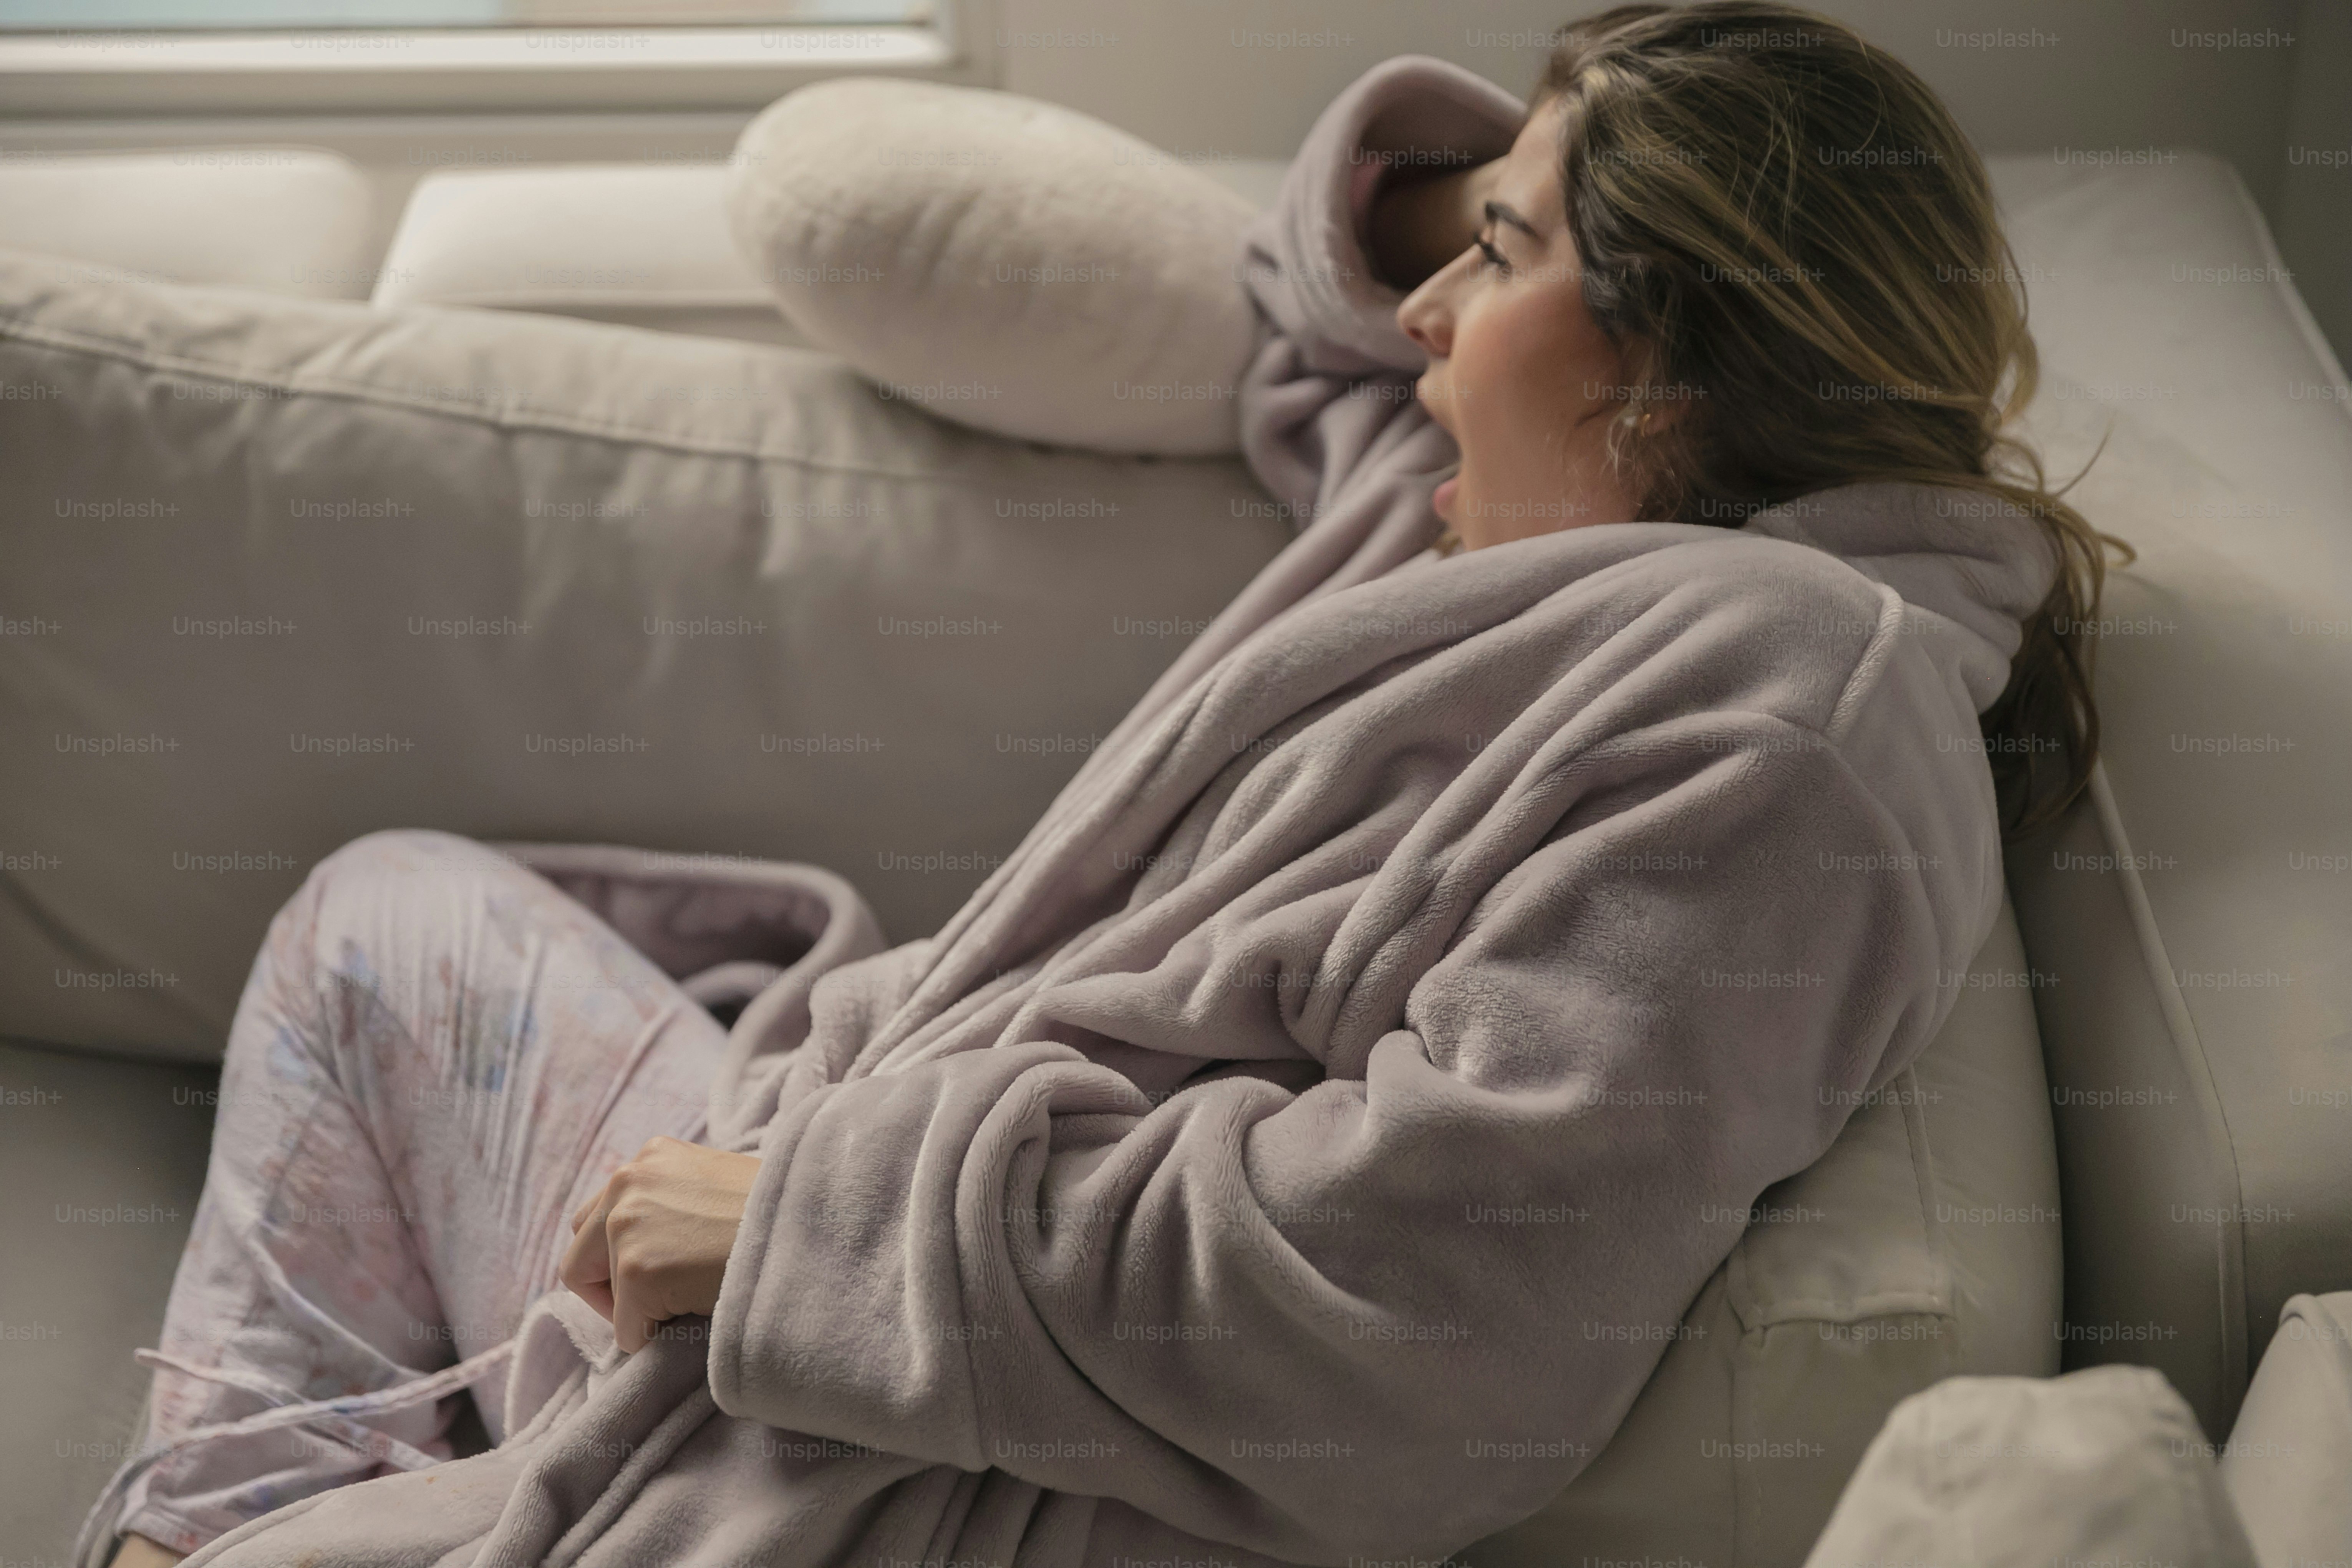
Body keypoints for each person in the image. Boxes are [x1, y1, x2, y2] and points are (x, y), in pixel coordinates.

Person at [94, 5, 2124, 1565]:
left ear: (1675, 358)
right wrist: (1532, 192)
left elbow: (1436, 1317)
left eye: (1500, 255)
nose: (1432, 312)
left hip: (895, 1417)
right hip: (834, 1251)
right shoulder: (1503, 527)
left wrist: (797, 1223)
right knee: (386, 921)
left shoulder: (1789, 715)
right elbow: (1280, 299)